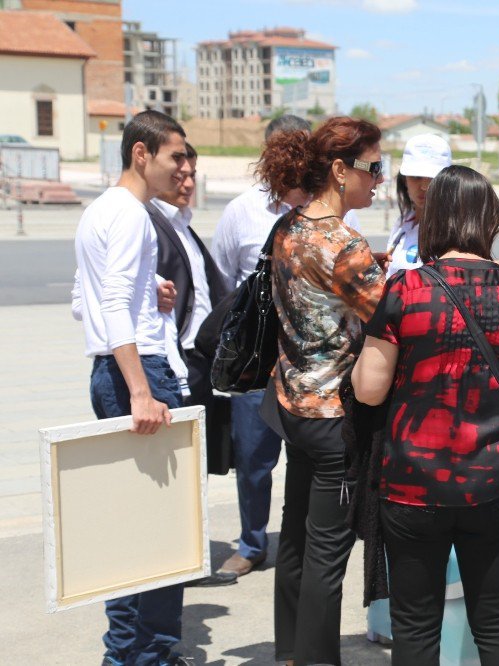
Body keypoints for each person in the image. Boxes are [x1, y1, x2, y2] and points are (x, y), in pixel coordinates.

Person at [351, 165, 499, 666]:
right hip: (494, 481)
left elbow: (369, 391)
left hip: (414, 482)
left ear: (432, 217)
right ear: (491, 219)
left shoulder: (404, 291)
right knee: (498, 619)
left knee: (415, 627)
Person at [255, 115, 386, 665]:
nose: (379, 179)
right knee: (326, 556)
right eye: (373, 167)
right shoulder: (343, 241)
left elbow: (320, 294)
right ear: (339, 169)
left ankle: (289, 652)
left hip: (290, 406)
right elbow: (389, 317)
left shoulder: (289, 227)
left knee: (295, 541)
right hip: (333, 417)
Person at [73, 109, 193, 666]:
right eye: (176, 156)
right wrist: (142, 391)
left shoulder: (103, 209)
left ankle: (128, 654)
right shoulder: (129, 215)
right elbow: (113, 304)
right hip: (137, 373)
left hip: (115, 369)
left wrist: (154, 296)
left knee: (130, 527)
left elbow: (85, 302)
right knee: (162, 531)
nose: (183, 167)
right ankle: (148, 655)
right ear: (141, 154)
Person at [210, 115, 318, 580]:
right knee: (253, 459)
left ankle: (308, 540)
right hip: (258, 364)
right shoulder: (240, 211)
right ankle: (252, 543)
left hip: (308, 362)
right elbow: (220, 280)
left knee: (309, 458)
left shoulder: (324, 209)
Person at [148, 143, 236, 586]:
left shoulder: (182, 226)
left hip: (197, 361)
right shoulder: (148, 223)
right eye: (179, 173)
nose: (187, 182)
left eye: (193, 174)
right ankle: (176, 564)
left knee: (197, 466)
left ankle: (188, 558)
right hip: (174, 360)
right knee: (177, 472)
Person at [384, 133, 452, 277]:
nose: (424, 186)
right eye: (416, 177)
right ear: (404, 180)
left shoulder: (454, 229)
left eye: (432, 178)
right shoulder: (403, 223)